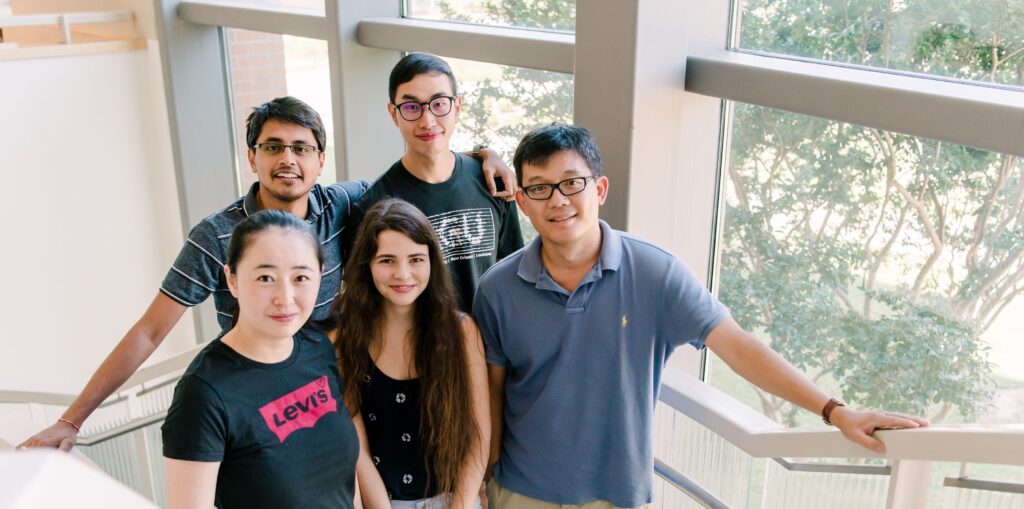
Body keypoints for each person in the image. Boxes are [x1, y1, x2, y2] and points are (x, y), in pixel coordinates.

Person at [19, 96, 515, 451]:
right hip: (256, 392)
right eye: (273, 147)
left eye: (301, 148)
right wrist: (71, 420)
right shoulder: (215, 236)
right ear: (251, 156)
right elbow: (150, 331)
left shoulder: (340, 204)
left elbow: (418, 166)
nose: (287, 160)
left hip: (333, 383)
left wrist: (482, 156)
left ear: (321, 161)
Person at [473, 124, 930, 509]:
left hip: (615, 495)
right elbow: (490, 397)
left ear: (600, 189)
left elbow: (738, 347)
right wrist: (476, 480)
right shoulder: (497, 288)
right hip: (519, 492)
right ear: (522, 200)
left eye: (572, 183)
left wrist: (836, 410)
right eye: (540, 188)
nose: (558, 200)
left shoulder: (654, 272)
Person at [162, 209, 359, 509]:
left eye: (300, 277)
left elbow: (344, 484)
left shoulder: (318, 348)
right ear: (232, 279)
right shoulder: (203, 394)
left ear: (320, 274)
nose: (285, 297)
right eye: (265, 277)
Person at [334, 198, 489, 509]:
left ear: (432, 261)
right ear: (367, 265)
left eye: (416, 259)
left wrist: (459, 505)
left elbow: (478, 434)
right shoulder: (346, 336)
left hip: (454, 499)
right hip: (380, 501)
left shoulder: (462, 332)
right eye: (387, 260)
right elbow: (357, 448)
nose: (402, 274)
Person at [345, 53, 524, 312]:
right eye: (411, 107)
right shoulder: (373, 207)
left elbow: (514, 274)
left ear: (457, 107)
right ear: (393, 114)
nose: (427, 120)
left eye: (439, 104)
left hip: (492, 344)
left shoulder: (493, 183)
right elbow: (368, 304)